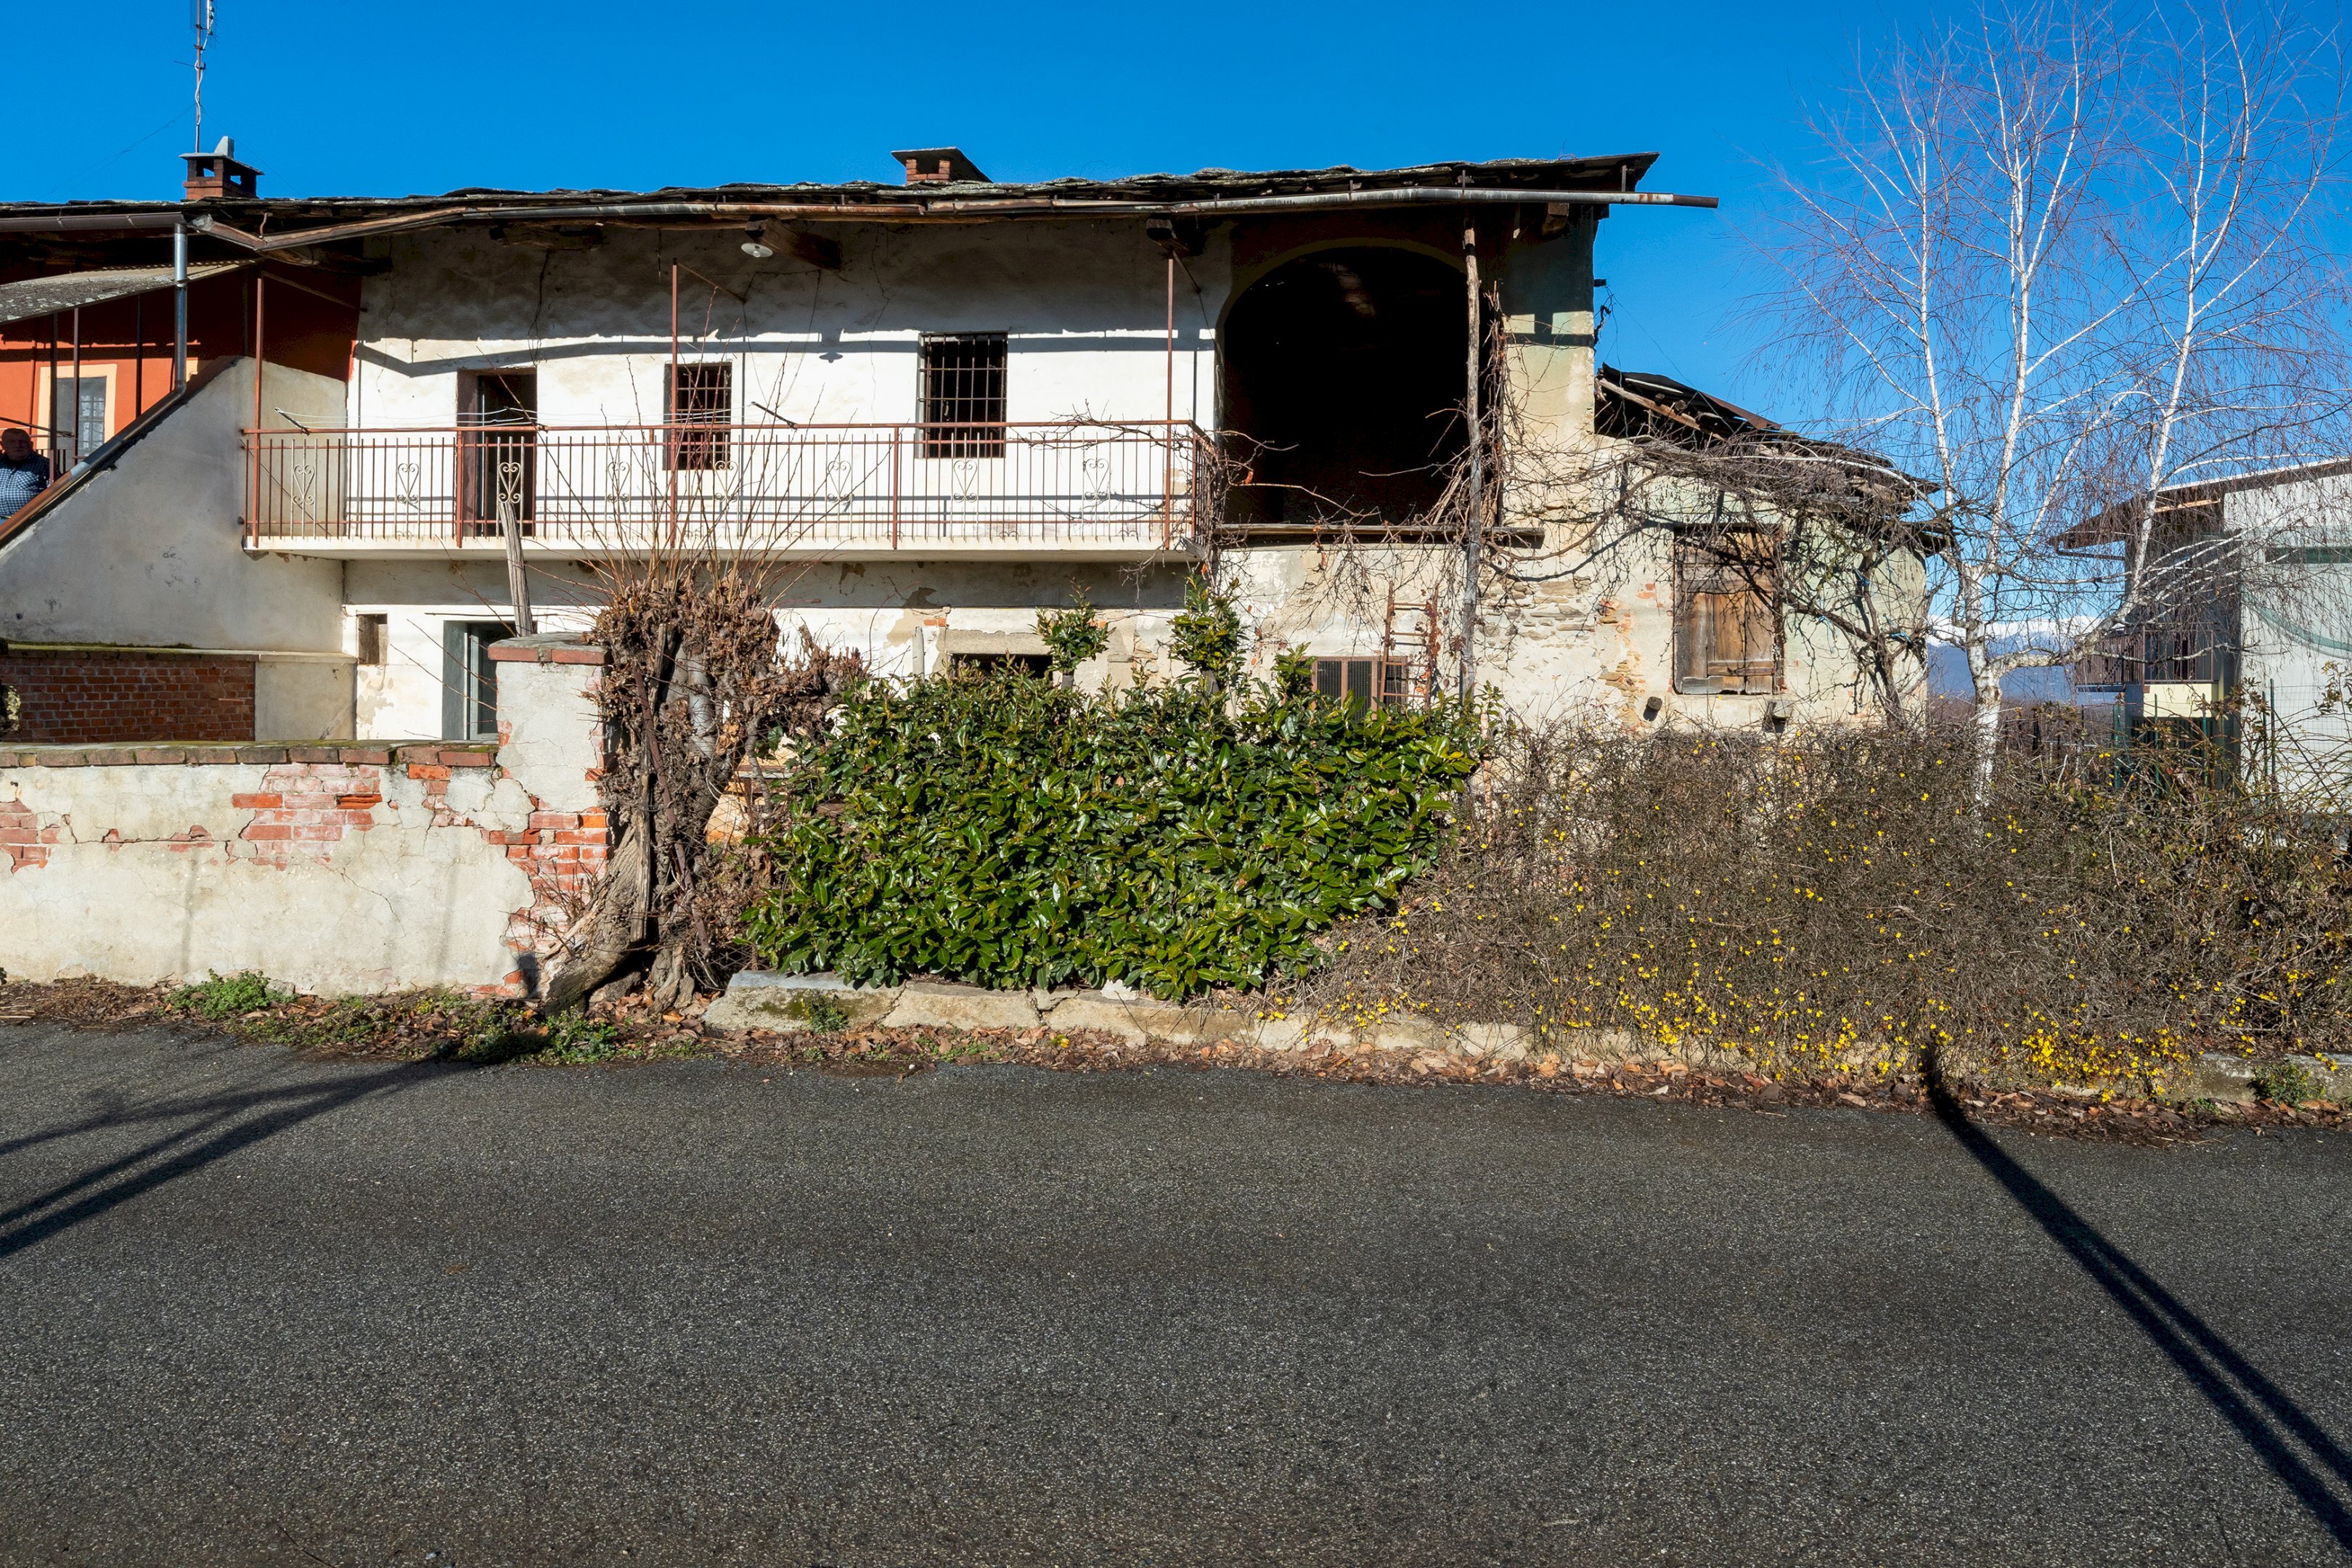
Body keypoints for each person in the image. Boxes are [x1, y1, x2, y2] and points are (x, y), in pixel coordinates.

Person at [0, 426, 52, 518]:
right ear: (2, 445)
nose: (18, 445)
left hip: (31, 522)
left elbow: (56, 491)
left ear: (31, 444)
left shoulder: (44, 464)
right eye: (12, 442)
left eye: (23, 442)